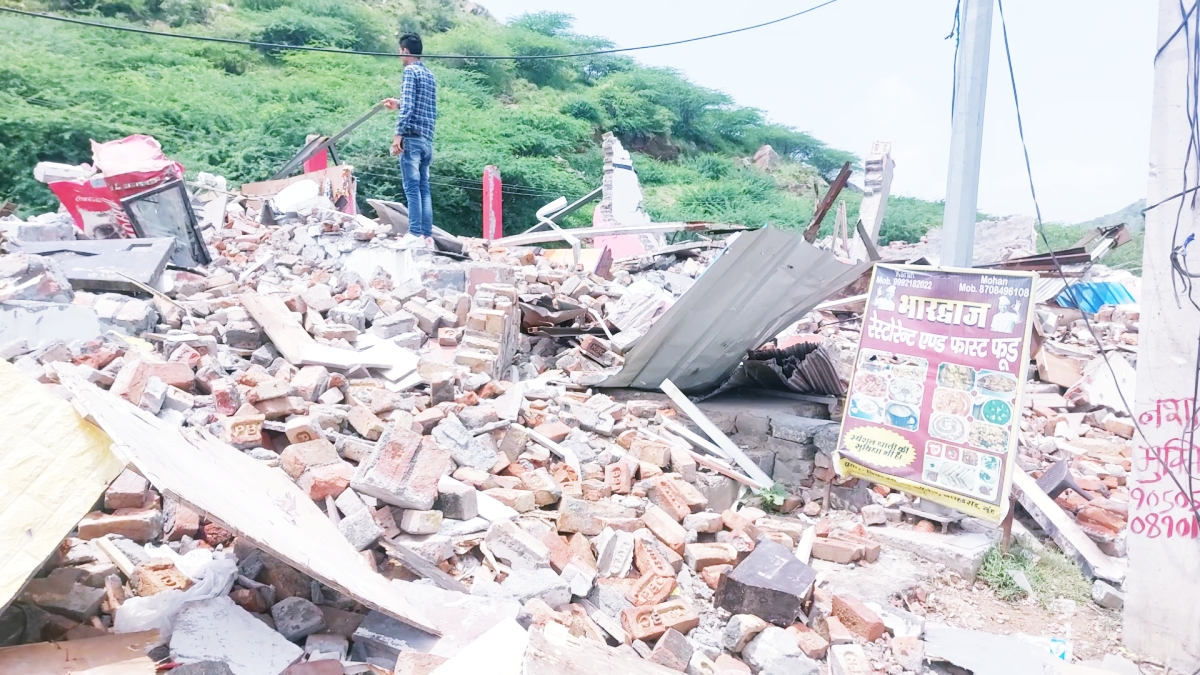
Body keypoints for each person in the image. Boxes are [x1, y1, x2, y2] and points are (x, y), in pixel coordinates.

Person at [382, 33, 437, 248]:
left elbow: (409, 108)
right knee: (424, 188)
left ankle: (414, 234)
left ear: (405, 51)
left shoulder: (409, 72)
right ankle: (426, 235)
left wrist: (398, 134)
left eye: (400, 51)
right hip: (426, 139)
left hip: (411, 138)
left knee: (412, 188)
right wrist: (399, 103)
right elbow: (418, 105)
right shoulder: (429, 75)